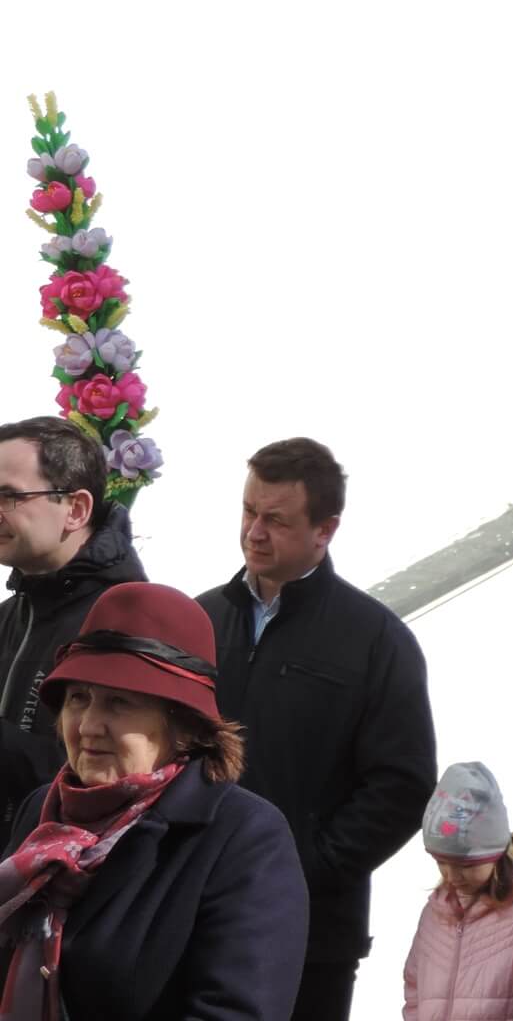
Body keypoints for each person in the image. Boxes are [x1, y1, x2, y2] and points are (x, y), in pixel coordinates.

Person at [196, 437, 437, 1020]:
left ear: (325, 530)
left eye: (275, 520)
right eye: (249, 511)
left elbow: (401, 786)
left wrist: (305, 868)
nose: (254, 531)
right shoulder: (200, 620)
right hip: (193, 912)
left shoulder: (376, 641)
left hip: (311, 934)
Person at [0, 582, 307, 1018]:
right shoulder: (42, 810)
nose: (88, 725)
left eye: (118, 703)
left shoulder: (243, 837)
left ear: (181, 724)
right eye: (78, 699)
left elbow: (235, 1011)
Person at [0, 417, 146, 839]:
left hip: (71, 876)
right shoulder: (13, 613)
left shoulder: (126, 616)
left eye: (10, 496)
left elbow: (113, 776)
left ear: (77, 509)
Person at [405, 762, 513, 1021]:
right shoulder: (435, 912)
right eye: (441, 862)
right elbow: (414, 986)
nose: (451, 876)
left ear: (493, 854)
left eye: (465, 865)